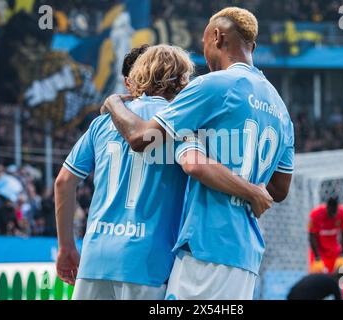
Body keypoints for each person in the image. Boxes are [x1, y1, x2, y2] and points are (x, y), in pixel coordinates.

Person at [101, 7, 294, 299]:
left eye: (203, 43)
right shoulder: (281, 109)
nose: (204, 53)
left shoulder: (213, 85)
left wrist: (114, 103)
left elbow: (141, 138)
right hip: (246, 254)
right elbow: (279, 189)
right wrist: (250, 185)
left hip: (208, 247)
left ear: (216, 37)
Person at [55, 45, 272, 300]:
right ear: (183, 81)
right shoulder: (181, 125)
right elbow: (197, 165)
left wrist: (66, 247)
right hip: (148, 263)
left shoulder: (102, 123)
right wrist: (251, 191)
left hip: (95, 261)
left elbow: (64, 181)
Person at [308, 196, 343, 299]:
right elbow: (311, 236)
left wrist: (342, 255)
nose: (333, 216)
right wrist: (317, 258)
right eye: (331, 213)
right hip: (319, 253)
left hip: (335, 252)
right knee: (315, 281)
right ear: (327, 208)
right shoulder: (316, 214)